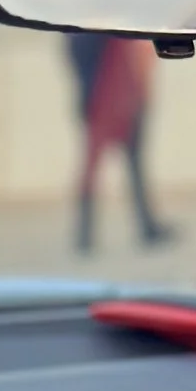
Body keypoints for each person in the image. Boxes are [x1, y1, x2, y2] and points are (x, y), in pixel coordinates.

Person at [67, 28, 177, 252]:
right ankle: (87, 235)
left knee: (122, 167)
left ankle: (89, 236)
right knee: (101, 168)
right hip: (108, 99)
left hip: (112, 98)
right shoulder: (97, 30)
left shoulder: (87, 30)